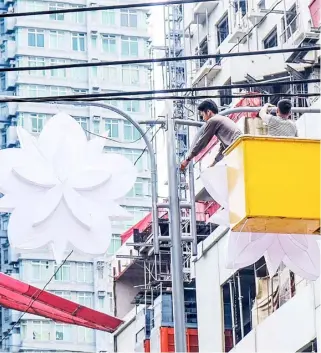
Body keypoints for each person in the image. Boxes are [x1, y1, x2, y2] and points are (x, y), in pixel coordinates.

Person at [180, 99, 241, 171]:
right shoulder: (222, 119)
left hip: (237, 148)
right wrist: (213, 164)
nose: (203, 119)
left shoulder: (213, 120)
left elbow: (202, 142)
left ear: (208, 112)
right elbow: (223, 148)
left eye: (202, 115)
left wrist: (188, 159)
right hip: (239, 149)